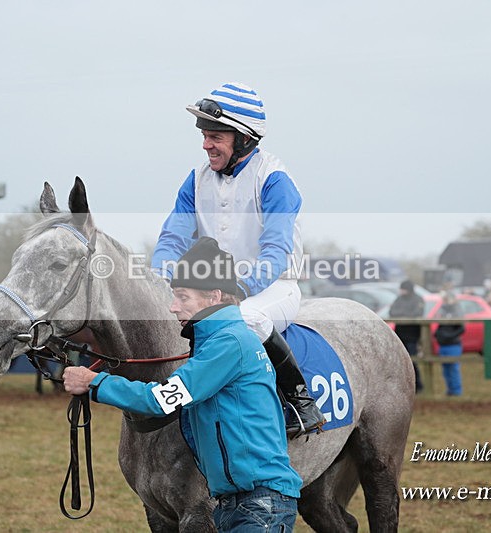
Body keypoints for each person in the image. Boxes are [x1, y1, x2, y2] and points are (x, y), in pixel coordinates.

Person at [64, 237, 301, 532]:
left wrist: (96, 383)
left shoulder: (229, 343)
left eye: (183, 297)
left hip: (258, 505)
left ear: (214, 296)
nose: (173, 307)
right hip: (238, 503)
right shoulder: (218, 341)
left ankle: (301, 399)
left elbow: (163, 399)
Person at [150, 81, 325, 437]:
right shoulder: (195, 180)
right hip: (215, 293)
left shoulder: (275, 180)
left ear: (244, 138)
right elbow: (172, 237)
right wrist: (160, 278)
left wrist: (240, 289)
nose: (205, 144)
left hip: (273, 288)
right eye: (204, 134)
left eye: (215, 136)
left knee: (245, 320)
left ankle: (300, 400)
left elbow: (276, 251)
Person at [388, 280, 425, 393]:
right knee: (400, 361)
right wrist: (405, 313)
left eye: (403, 289)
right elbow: (392, 311)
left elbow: (417, 313)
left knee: (412, 361)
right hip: (400, 334)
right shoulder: (399, 299)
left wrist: (403, 313)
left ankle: (418, 385)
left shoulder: (418, 299)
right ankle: (403, 386)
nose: (401, 291)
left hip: (413, 335)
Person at [434, 293, 464, 396]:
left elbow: (461, 329)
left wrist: (449, 336)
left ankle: (456, 391)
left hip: (453, 345)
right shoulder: (443, 311)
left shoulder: (457, 311)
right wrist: (438, 335)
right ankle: (450, 389)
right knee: (446, 369)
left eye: (447, 299)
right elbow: (440, 327)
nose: (445, 301)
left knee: (453, 369)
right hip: (443, 345)